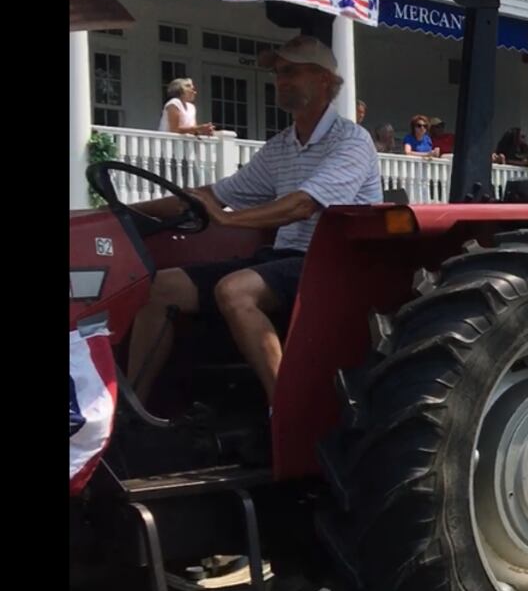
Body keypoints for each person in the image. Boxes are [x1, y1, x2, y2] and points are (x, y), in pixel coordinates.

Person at [124, 35, 381, 410]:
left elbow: (303, 205)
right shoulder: (281, 145)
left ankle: (287, 414)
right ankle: (131, 413)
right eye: (279, 73)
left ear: (324, 80)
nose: (281, 81)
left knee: (235, 290)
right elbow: (215, 194)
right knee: (159, 286)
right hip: (283, 259)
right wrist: (127, 212)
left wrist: (228, 220)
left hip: (333, 264)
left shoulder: (352, 141)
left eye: (291, 72)